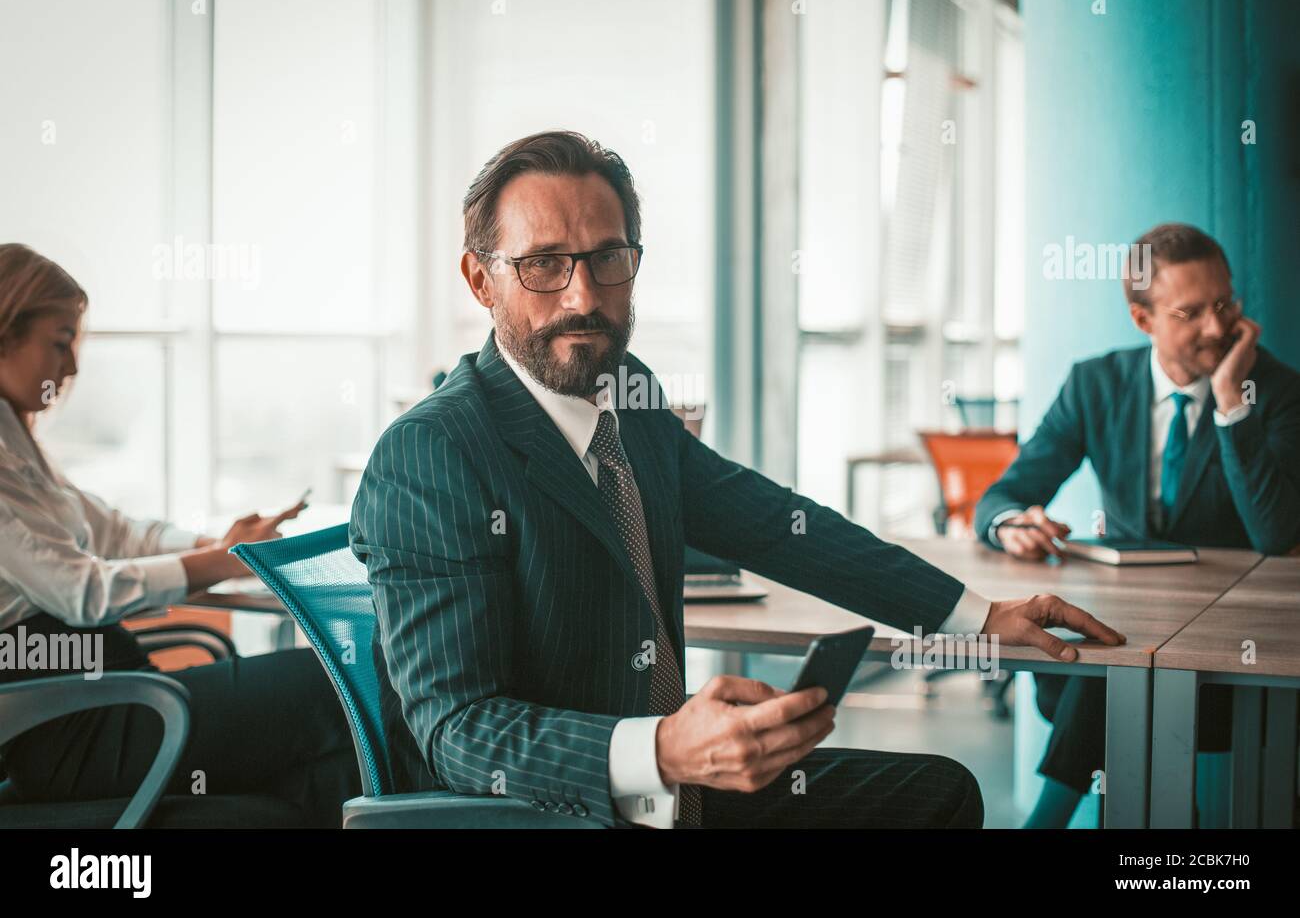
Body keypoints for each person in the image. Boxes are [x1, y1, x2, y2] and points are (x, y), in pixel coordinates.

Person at [349, 130, 1125, 829]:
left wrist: (973, 618)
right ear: (481, 282)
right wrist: (663, 749)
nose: (583, 296)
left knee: (942, 795)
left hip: (670, 788)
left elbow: (777, 524)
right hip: (544, 809)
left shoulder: (630, 394)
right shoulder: (430, 455)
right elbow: (458, 732)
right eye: (543, 265)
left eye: (608, 259)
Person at [0, 243, 359, 827]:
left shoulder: (15, 437)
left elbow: (110, 530)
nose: (69, 370)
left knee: (326, 769)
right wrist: (222, 561)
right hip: (77, 729)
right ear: (5, 330)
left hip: (115, 697)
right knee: (332, 679)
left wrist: (211, 543)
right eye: (60, 343)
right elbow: (80, 591)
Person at [974, 222, 1300, 827]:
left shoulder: (1274, 390)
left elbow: (1275, 535)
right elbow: (1004, 495)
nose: (1216, 326)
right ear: (1142, 319)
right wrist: (1011, 522)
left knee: (1115, 667)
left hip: (1226, 661)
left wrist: (1232, 402)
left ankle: (1045, 822)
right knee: (1118, 662)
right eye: (1191, 311)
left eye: (1225, 303)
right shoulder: (1095, 384)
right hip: (1116, 642)